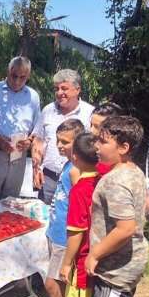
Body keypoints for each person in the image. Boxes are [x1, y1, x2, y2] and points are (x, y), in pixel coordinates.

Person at [86, 116, 149, 297]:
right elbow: (147, 204)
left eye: (103, 142)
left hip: (114, 271)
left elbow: (126, 228)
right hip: (129, 265)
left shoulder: (115, 181)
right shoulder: (134, 171)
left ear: (124, 147)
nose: (96, 146)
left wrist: (95, 254)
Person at [0, 56, 41, 205]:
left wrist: (29, 142)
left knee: (11, 203)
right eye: (14, 76)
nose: (17, 81)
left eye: (22, 77)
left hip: (18, 157)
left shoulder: (33, 96)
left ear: (28, 76)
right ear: (8, 71)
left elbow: (37, 126)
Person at [42, 119, 84, 297]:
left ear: (78, 142)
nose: (59, 145)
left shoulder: (76, 170)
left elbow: (81, 205)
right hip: (55, 232)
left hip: (64, 237)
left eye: (65, 142)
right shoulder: (68, 164)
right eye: (58, 140)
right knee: (60, 283)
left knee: (52, 284)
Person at [32, 69, 94, 205]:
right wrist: (36, 168)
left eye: (64, 88)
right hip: (48, 178)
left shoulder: (89, 113)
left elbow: (94, 147)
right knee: (46, 219)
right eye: (57, 89)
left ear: (77, 90)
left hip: (76, 178)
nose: (60, 93)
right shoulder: (48, 110)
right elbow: (38, 140)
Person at [60, 133, 101, 297]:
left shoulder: (80, 190)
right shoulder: (103, 179)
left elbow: (76, 231)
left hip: (83, 259)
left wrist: (67, 263)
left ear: (74, 157)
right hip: (101, 255)